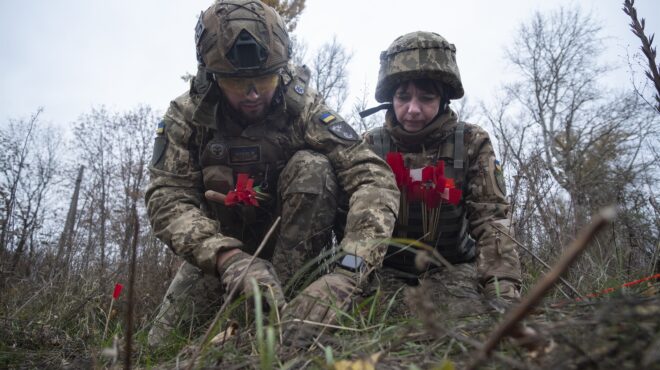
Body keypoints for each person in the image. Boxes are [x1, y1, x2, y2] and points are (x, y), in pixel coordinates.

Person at [145, 0, 398, 348]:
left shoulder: (304, 108)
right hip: (221, 255)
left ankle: (290, 301)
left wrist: (350, 271)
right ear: (212, 77)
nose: (253, 94)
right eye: (238, 83)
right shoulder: (186, 117)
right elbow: (166, 197)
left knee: (314, 168)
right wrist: (225, 257)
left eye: (264, 79)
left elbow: (372, 178)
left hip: (292, 252)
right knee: (160, 347)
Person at [362, 31, 522, 315]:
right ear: (390, 99)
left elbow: (492, 219)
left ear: (443, 100)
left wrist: (503, 290)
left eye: (426, 98)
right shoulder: (371, 145)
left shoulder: (471, 141)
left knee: (464, 323)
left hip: (453, 268)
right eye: (403, 97)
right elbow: (352, 221)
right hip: (386, 270)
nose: (413, 109)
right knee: (374, 320)